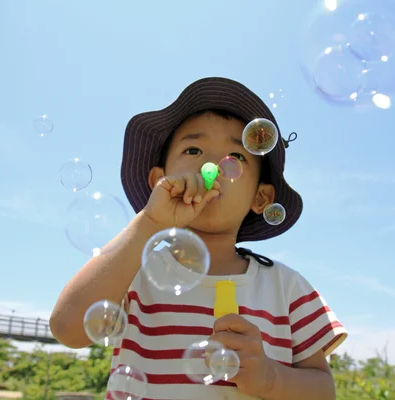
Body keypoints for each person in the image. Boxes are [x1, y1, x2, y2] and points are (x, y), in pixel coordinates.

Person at [50, 77, 348, 400]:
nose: (211, 166)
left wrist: (269, 377)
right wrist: (150, 221)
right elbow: (67, 327)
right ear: (158, 181)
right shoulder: (134, 270)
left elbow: (324, 390)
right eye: (193, 149)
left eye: (236, 155)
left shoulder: (286, 288)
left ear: (261, 198)